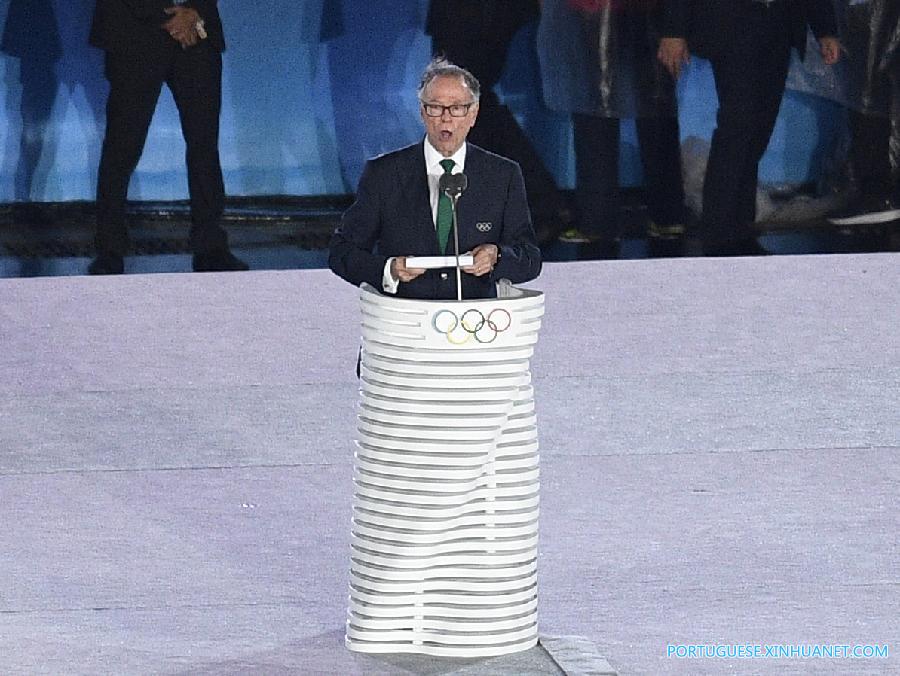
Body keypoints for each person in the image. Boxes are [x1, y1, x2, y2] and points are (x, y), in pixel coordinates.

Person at [328, 59, 541, 300]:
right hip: (404, 322)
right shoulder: (384, 174)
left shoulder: (503, 175)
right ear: (422, 112)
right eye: (435, 108)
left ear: (473, 113)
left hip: (475, 324)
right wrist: (390, 269)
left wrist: (497, 256)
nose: (446, 118)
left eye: (457, 108)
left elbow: (530, 258)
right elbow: (342, 251)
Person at [658, 0, 841, 256]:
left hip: (778, 22)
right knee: (738, 125)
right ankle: (718, 231)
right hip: (730, 24)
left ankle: (741, 228)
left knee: (759, 127)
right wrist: (673, 30)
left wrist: (825, 29)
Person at [88, 0, 247, 274]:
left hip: (196, 34)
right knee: (122, 146)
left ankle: (210, 244)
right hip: (134, 32)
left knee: (204, 144)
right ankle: (110, 247)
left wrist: (194, 12)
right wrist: (169, 15)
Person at [537, 0, 687, 256]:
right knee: (648, 107)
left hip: (601, 17)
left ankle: (601, 221)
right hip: (638, 18)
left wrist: (675, 29)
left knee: (606, 111)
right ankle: (662, 216)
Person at [426, 0, 572, 244]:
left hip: (476, 15)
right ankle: (539, 202)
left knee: (469, 102)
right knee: (471, 104)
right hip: (472, 15)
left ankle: (542, 202)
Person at [828, 0, 900, 226]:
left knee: (869, 92)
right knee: (871, 91)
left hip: (874, 15)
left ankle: (876, 194)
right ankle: (876, 192)